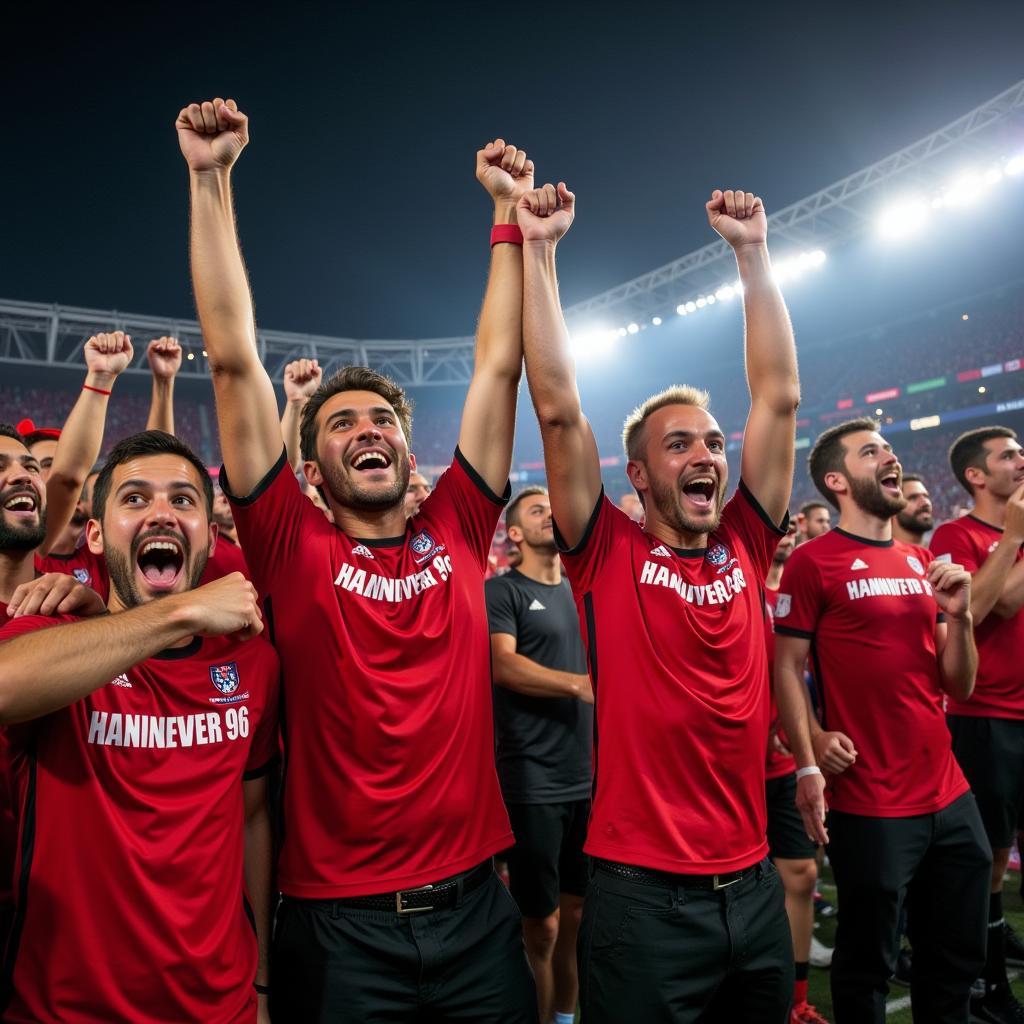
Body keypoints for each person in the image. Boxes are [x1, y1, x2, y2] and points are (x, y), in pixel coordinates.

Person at [179, 96, 537, 1021]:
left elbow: (499, 368)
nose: (368, 430)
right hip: (340, 928)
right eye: (344, 424)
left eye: (384, 420)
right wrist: (210, 178)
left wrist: (505, 216)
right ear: (311, 464)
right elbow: (230, 362)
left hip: (476, 912)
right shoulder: (290, 543)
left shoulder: (457, 524)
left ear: (409, 453)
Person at [519, 182, 799, 1021]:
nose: (705, 454)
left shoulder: (749, 542)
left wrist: (753, 255)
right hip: (642, 902)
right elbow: (561, 411)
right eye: (678, 444)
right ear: (637, 476)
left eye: (713, 442)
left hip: (751, 889)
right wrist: (539, 252)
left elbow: (778, 397)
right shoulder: (606, 550)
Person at [0, 430, 279, 1023]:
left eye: (183, 500)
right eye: (133, 498)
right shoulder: (48, 633)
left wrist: (259, 983)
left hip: (219, 1005)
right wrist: (177, 609)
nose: (161, 512)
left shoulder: (252, 659)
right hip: (64, 1009)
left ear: (208, 531)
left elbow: (252, 815)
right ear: (95, 536)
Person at [774, 417, 990, 1024]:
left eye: (890, 448)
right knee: (867, 964)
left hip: (949, 793)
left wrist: (963, 618)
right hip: (871, 800)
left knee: (953, 959)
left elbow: (959, 683)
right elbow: (786, 667)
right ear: (838, 480)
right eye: (872, 451)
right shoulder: (814, 563)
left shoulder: (922, 559)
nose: (889, 457)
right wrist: (810, 751)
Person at [486, 485, 593, 1024]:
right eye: (536, 509)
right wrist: (577, 685)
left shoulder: (582, 589)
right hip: (534, 780)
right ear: (515, 534)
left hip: (591, 777)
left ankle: (565, 1015)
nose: (551, 512)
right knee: (542, 923)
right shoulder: (501, 593)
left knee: (576, 916)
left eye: (555, 505)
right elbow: (502, 666)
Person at [931, 426, 1024, 1022]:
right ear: (976, 476)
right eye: (1010, 455)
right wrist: (1014, 537)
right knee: (990, 857)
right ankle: (990, 985)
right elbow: (995, 604)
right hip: (986, 715)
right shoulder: (954, 535)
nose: (1022, 462)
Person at [763, 521, 831, 1024]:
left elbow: (798, 677)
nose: (787, 528)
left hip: (786, 759)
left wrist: (806, 736)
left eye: (791, 521)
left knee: (801, 870)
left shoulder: (795, 592)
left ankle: (796, 999)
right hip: (731, 763)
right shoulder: (734, 584)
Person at [891, 473, 934, 546]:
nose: (925, 503)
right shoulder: (877, 555)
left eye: (926, 496)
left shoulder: (937, 554)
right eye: (913, 498)